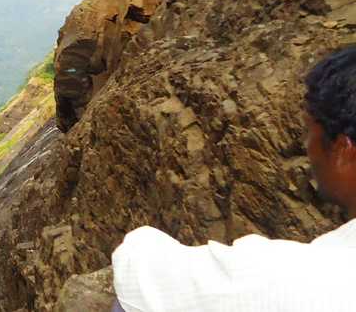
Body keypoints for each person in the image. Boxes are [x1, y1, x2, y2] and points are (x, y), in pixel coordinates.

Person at [110, 45, 356, 312]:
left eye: (309, 131)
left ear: (344, 150)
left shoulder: (296, 278)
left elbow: (139, 274)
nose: (306, 145)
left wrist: (138, 240)